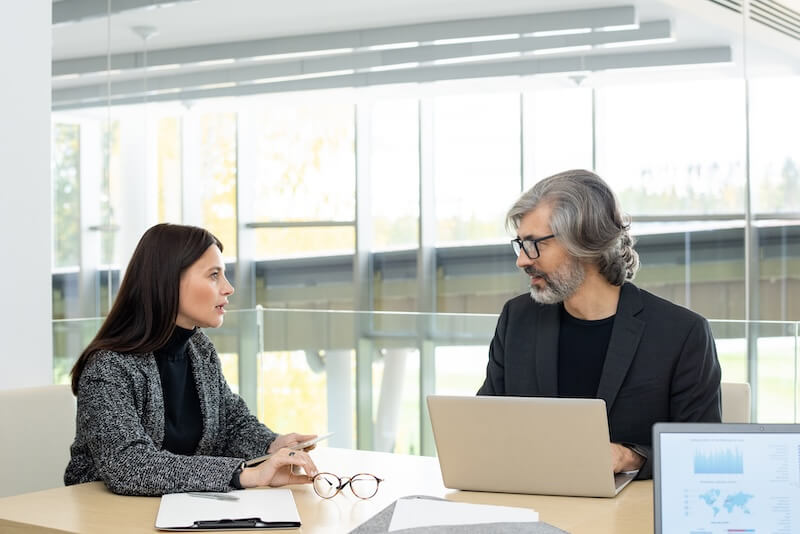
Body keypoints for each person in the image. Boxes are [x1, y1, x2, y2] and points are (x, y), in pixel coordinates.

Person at [477, 169, 721, 480]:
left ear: (584, 243)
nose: (522, 260)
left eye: (534, 244)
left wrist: (629, 456)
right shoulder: (517, 319)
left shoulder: (682, 334)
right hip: (534, 509)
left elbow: (705, 453)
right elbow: (485, 426)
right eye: (520, 244)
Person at [65, 223, 319, 496]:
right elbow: (130, 466)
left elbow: (232, 425)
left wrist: (274, 445)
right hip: (105, 517)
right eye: (214, 275)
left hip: (180, 509)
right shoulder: (108, 368)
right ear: (169, 281)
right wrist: (245, 475)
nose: (229, 288)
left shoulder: (199, 349)